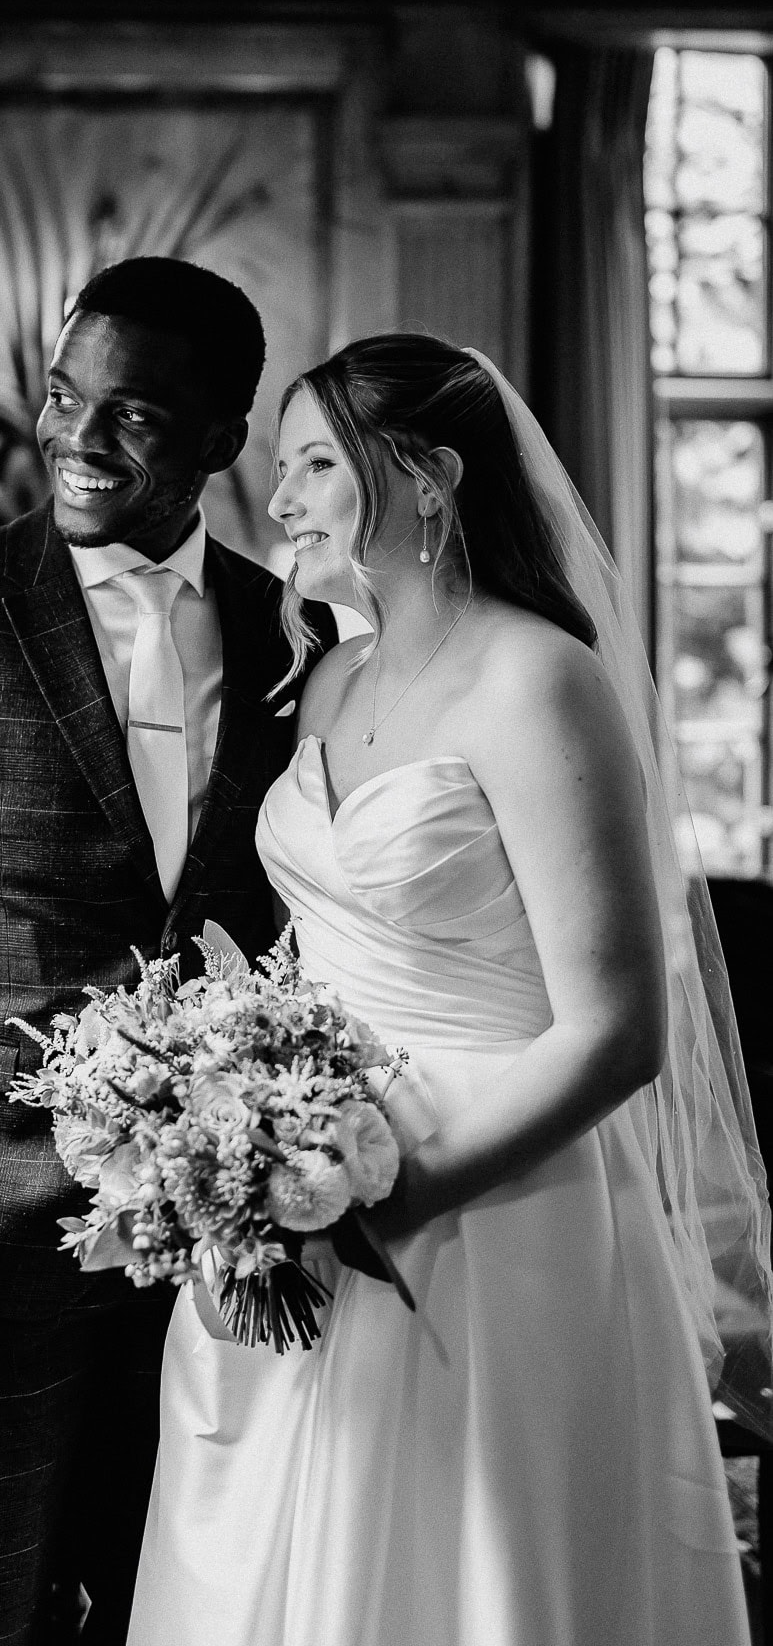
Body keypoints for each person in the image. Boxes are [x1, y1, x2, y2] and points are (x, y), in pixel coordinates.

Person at [128, 332, 773, 1646]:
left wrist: (387, 1191)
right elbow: (329, 948)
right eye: (283, 466)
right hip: (301, 1194)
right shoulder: (327, 677)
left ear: (424, 477)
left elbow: (614, 1033)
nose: (281, 499)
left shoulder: (537, 681)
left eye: (315, 463)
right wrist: (242, 1115)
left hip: (494, 1208)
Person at [0, 257, 337, 1646]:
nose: (78, 440)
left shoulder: (301, 631)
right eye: (60, 395)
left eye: (136, 418)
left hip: (227, 1238)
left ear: (222, 441)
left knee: (183, 1607)